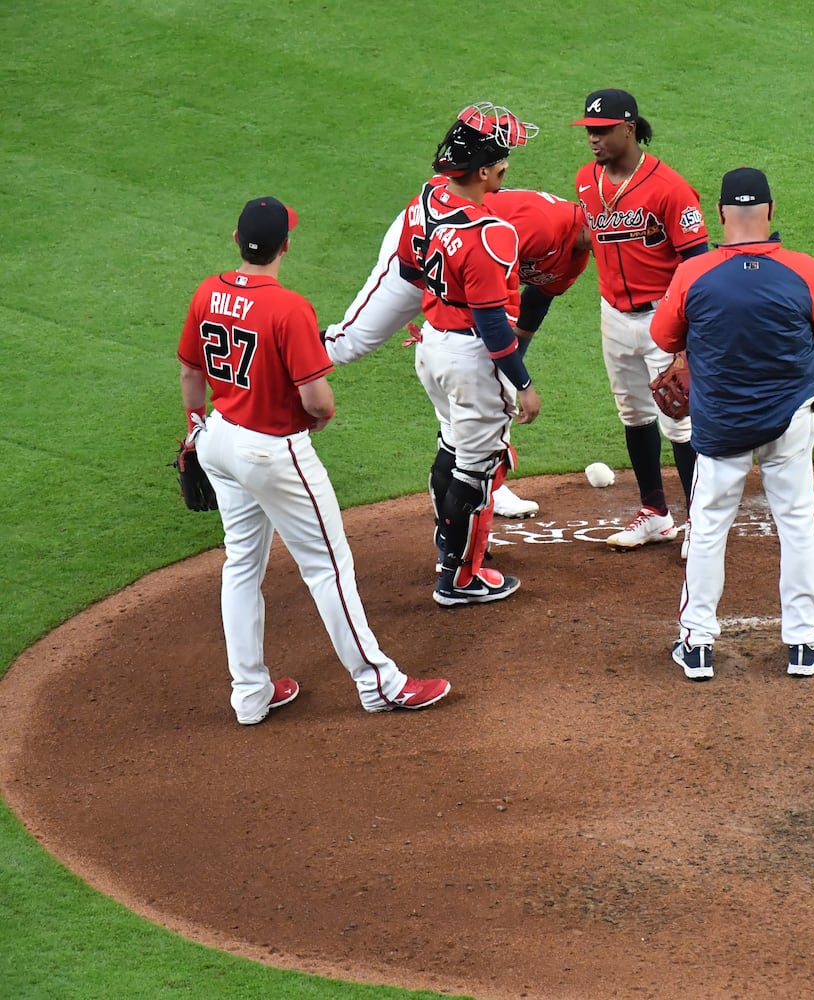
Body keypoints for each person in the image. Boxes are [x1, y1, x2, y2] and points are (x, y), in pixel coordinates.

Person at [177, 196, 451, 724]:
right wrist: (321, 418)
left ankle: (250, 695)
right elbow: (317, 399)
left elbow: (191, 372)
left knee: (241, 566)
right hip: (272, 451)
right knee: (328, 568)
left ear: (237, 240)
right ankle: (379, 685)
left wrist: (194, 426)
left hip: (217, 440)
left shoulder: (207, 291)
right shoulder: (288, 308)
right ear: (285, 245)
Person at [650, 167, 814, 681]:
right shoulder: (804, 270)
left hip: (720, 428)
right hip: (789, 420)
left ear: (719, 214)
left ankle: (696, 643)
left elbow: (665, 335)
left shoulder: (694, 274)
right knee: (797, 523)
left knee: (710, 528)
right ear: (771, 210)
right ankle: (803, 642)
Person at [322, 182, 589, 519]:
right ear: (593, 216)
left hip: (462, 276)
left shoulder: (577, 258)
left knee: (482, 395)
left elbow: (533, 306)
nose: (615, 245)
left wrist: (506, 374)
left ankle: (487, 480)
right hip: (428, 240)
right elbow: (468, 250)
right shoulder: (544, 224)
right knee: (349, 343)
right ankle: (267, 374)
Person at [398, 103, 544, 606]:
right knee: (477, 468)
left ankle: (448, 549)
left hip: (433, 348)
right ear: (482, 172)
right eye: (502, 162)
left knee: (452, 446)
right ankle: (459, 578)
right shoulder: (489, 233)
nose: (507, 168)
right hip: (469, 358)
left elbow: (408, 267)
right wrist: (523, 384)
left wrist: (442, 306)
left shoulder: (426, 199)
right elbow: (491, 325)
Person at [573, 88, 709, 553]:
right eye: (589, 131)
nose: (593, 139)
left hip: (665, 318)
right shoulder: (586, 181)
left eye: (603, 130)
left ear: (629, 129)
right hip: (613, 315)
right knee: (634, 415)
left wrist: (688, 342)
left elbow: (697, 264)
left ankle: (700, 521)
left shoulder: (670, 188)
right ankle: (655, 513)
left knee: (681, 422)